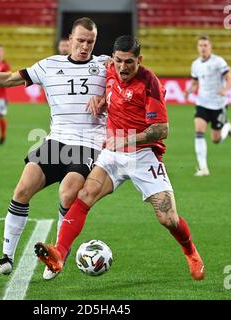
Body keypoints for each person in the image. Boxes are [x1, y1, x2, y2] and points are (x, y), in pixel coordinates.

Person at [35, 35, 205, 281]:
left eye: (129, 62)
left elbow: (162, 130)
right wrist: (101, 100)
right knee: (84, 195)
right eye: (118, 61)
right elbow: (109, 93)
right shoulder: (110, 71)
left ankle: (191, 252)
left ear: (139, 60)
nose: (123, 67)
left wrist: (126, 140)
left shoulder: (149, 83)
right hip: (112, 155)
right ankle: (58, 255)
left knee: (168, 217)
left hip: (143, 155)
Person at [0, 17, 109, 280]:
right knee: (22, 188)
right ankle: (6, 258)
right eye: (81, 40)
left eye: (90, 42)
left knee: (67, 192)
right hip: (56, 140)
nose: (85, 46)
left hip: (89, 142)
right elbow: (9, 79)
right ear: (70, 39)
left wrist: (105, 97)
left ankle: (58, 255)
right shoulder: (49, 66)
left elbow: (131, 79)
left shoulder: (106, 65)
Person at [184, 35, 231, 176]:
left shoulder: (218, 62)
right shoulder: (195, 64)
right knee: (199, 131)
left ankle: (227, 126)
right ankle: (203, 168)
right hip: (202, 103)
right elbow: (195, 83)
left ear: (210, 47)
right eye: (200, 45)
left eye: (205, 45)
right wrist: (188, 91)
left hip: (218, 105)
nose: (203, 48)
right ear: (197, 48)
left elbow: (230, 78)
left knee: (215, 139)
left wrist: (226, 89)